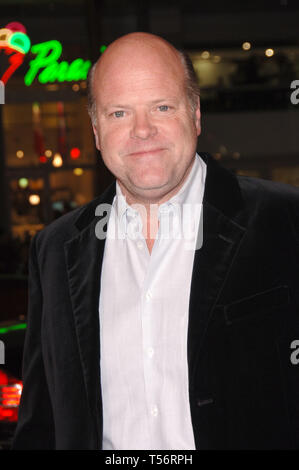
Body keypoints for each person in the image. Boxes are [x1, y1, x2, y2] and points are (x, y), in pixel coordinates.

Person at [12, 32, 299, 450]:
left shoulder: (285, 222)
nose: (142, 130)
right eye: (119, 113)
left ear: (196, 114)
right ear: (96, 131)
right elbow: (41, 424)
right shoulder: (55, 250)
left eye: (162, 107)